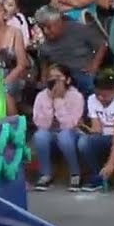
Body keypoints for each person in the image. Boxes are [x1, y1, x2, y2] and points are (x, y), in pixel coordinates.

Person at [31, 64, 85, 192]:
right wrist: (51, 100)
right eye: (51, 77)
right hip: (50, 133)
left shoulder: (76, 96)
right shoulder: (41, 96)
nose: (54, 81)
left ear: (67, 80)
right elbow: (40, 123)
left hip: (71, 135)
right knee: (40, 136)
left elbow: (71, 124)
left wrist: (59, 101)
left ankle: (75, 174)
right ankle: (45, 174)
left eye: (58, 77)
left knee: (64, 135)